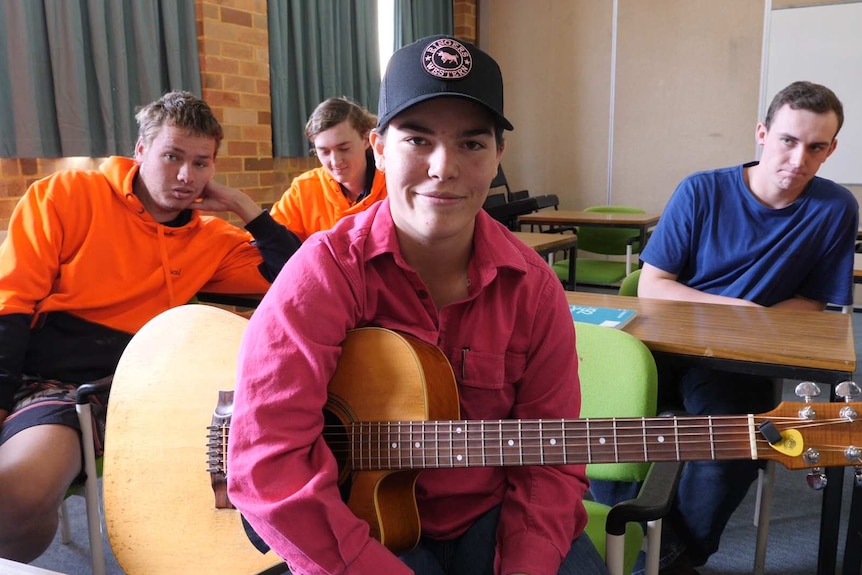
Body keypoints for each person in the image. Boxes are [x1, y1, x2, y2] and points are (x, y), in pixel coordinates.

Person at [228, 35, 609, 575]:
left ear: (499, 155)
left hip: (491, 518)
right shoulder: (325, 270)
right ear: (379, 148)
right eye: (417, 140)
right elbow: (267, 459)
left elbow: (549, 464)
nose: (443, 167)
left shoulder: (535, 289)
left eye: (472, 144)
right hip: (354, 524)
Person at [0, 90, 301, 563]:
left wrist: (246, 208)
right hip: (50, 378)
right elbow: (10, 301)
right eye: (171, 156)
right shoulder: (64, 195)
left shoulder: (214, 239)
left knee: (19, 492)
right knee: (17, 489)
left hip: (146, 387)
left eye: (201, 163)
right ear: (140, 151)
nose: (186, 176)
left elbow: (299, 277)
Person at [591, 80, 858, 575]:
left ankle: (671, 556)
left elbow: (814, 304)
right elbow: (653, 286)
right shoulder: (702, 190)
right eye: (787, 140)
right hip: (662, 346)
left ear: (831, 150)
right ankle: (611, 537)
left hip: (737, 362)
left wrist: (749, 324)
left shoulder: (835, 208)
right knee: (608, 428)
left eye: (816, 147)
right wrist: (744, 309)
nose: (799, 159)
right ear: (762, 134)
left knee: (731, 448)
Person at [269, 96, 387, 241]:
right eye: (324, 151)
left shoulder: (394, 183)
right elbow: (271, 246)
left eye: (344, 148)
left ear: (366, 140)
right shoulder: (303, 189)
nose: (335, 161)